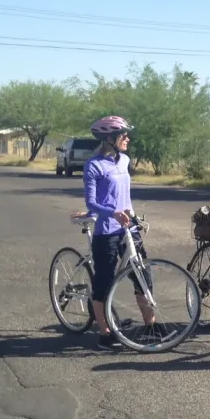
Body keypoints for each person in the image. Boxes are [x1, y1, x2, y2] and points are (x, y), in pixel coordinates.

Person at [81, 115, 160, 351]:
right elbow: (91, 202)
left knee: (143, 275)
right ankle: (104, 334)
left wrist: (134, 217)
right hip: (107, 231)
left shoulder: (124, 160)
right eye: (123, 135)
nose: (127, 138)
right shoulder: (93, 165)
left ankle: (151, 326)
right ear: (109, 138)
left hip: (129, 228)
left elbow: (125, 197)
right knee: (104, 282)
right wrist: (112, 213)